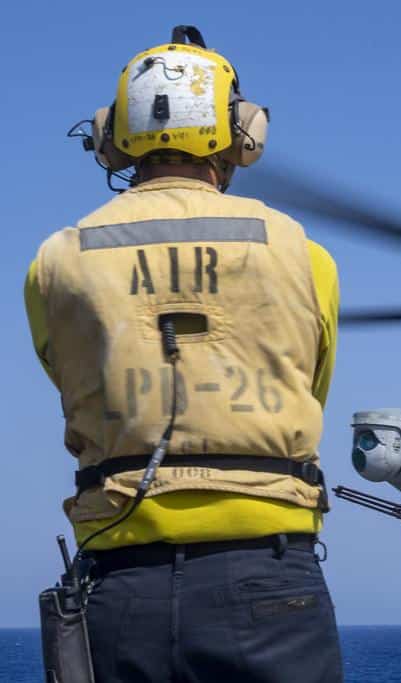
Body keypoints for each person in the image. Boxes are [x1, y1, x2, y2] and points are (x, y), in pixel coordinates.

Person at [24, 26, 344, 682]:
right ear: (240, 134)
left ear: (112, 135)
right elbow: (310, 387)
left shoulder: (55, 264)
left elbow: (69, 377)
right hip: (270, 582)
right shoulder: (303, 255)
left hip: (117, 591)